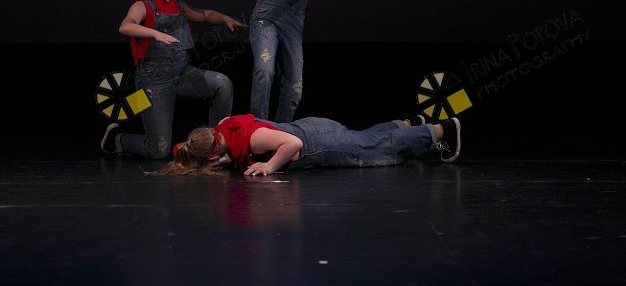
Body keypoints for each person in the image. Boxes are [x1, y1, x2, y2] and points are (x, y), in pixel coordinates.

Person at [101, 0, 248, 159]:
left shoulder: (179, 6)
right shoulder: (143, 5)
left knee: (222, 84)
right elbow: (125, 26)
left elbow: (206, 15)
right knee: (159, 150)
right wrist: (155, 33)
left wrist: (225, 19)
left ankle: (216, 144)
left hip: (181, 74)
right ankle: (116, 139)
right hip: (154, 81)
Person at [159, 114, 461, 176]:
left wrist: (270, 166)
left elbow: (292, 144)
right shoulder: (225, 125)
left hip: (318, 141)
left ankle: (442, 130)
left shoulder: (253, 140)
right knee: (366, 137)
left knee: (377, 149)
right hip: (316, 130)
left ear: (213, 153)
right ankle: (407, 124)